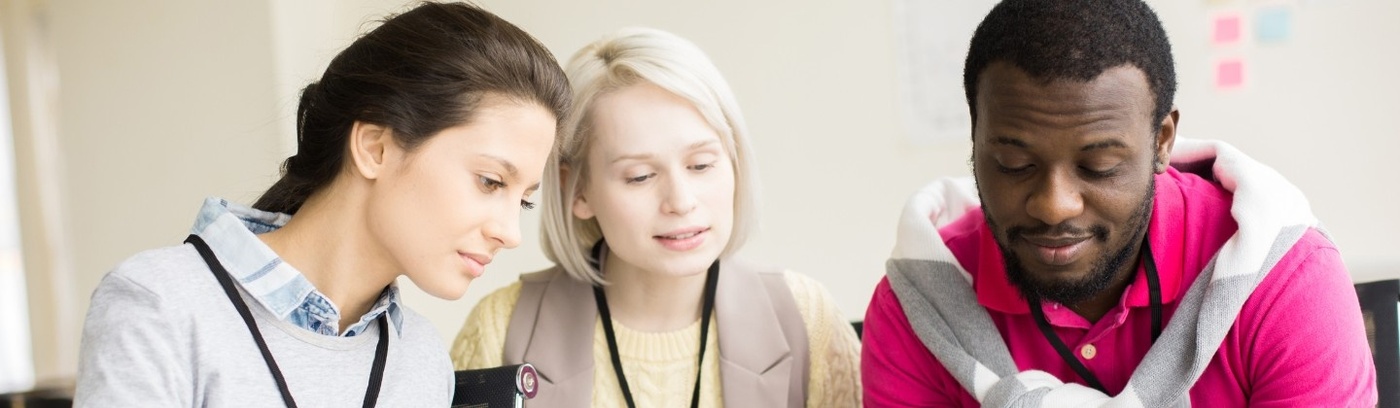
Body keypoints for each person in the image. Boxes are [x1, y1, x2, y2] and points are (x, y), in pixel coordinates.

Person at [860, 0, 1376, 406]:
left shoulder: (1282, 281)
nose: (1054, 206)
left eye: (1099, 167)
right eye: (1015, 165)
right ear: (975, 138)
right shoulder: (921, 307)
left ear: (1162, 141)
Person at [73, 3, 570, 407]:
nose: (511, 232)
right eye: (489, 182)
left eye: (523, 201)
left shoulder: (419, 358)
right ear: (375, 147)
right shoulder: (161, 304)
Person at [450, 27, 861, 407]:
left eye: (701, 165)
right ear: (576, 190)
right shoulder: (500, 328)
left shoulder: (807, 316)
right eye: (640, 176)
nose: (681, 202)